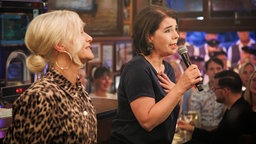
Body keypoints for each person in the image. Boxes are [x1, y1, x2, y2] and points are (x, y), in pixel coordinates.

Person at [110, 5, 202, 144]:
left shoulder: (168, 69)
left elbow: (172, 117)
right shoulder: (138, 68)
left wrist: (178, 94)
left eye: (176, 29)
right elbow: (147, 122)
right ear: (149, 37)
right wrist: (179, 89)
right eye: (168, 30)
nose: (176, 35)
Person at [3, 10, 97, 143]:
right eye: (80, 32)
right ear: (60, 45)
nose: (89, 38)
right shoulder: (40, 97)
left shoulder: (78, 90)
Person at [178, 70, 253, 144]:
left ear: (225, 91)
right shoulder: (236, 107)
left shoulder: (238, 115)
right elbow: (216, 136)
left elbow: (216, 140)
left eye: (215, 89)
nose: (214, 92)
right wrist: (191, 129)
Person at [189, 57, 226, 130]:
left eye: (218, 68)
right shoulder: (199, 92)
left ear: (223, 70)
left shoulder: (227, 91)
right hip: (202, 132)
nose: (215, 72)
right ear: (206, 72)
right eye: (211, 69)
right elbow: (195, 118)